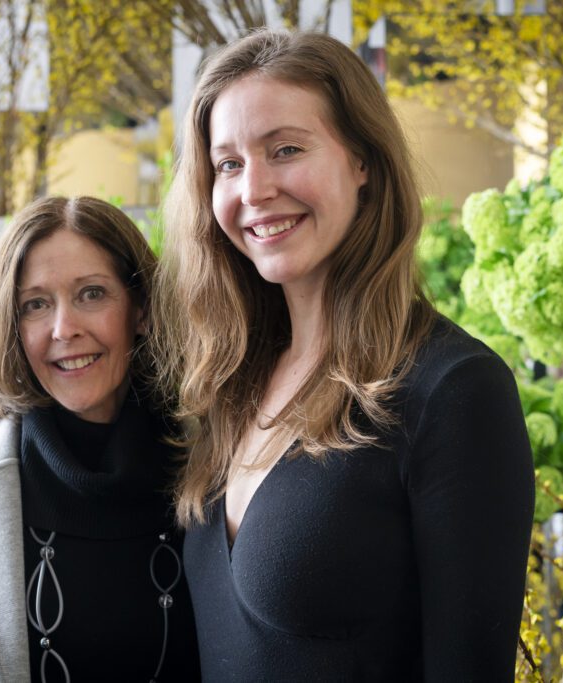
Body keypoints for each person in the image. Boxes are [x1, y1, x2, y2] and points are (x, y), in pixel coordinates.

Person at [152, 30, 534, 681]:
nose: (254, 189)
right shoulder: (231, 382)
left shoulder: (451, 390)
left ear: (362, 160)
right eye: (229, 164)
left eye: (286, 149)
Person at [0, 197, 199, 682]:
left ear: (140, 310)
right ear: (12, 326)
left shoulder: (213, 471)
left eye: (92, 294)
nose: (64, 329)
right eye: (36, 304)